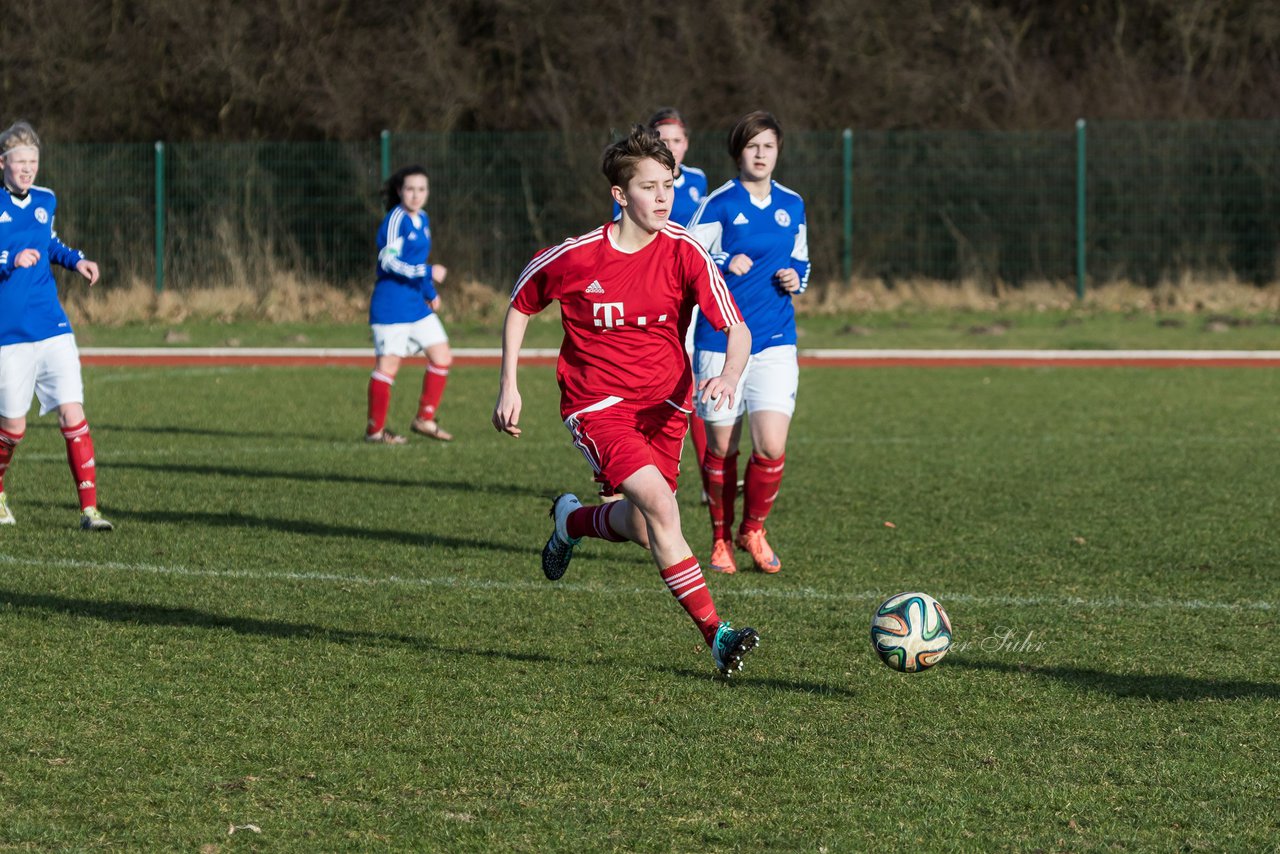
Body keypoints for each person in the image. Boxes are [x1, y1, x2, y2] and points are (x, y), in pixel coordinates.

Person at [492, 125, 760, 677]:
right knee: (664, 510)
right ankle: (717, 634)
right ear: (620, 194)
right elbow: (521, 304)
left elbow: (736, 329)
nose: (664, 198)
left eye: (670, 185)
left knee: (643, 528)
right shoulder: (577, 257)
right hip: (597, 406)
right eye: (650, 187)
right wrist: (508, 384)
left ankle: (571, 522)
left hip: (667, 407)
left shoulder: (686, 251)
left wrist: (731, 374)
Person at [687, 110, 809, 575]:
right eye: (752, 146)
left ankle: (752, 529)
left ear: (778, 152)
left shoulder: (793, 204)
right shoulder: (718, 203)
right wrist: (722, 262)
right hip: (720, 340)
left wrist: (796, 276)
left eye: (768, 146)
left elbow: (804, 260)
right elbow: (686, 262)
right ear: (739, 151)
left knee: (772, 445)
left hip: (777, 338)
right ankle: (720, 538)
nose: (760, 154)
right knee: (720, 447)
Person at [0, 120, 112, 530]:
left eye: (33, 161)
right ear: (2, 163)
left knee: (72, 413)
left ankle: (90, 510)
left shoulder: (47, 199)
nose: (27, 168)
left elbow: (51, 243)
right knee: (13, 427)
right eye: (19, 161)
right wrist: (9, 261)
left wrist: (75, 259)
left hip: (52, 327)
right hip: (8, 335)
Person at [606, 108, 713, 503]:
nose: (671, 146)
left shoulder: (700, 181)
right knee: (640, 377)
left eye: (678, 140)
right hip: (651, 294)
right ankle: (623, 473)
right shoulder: (635, 184)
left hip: (689, 291)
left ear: (687, 144)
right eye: (663, 139)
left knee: (689, 382)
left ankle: (703, 479)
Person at [364, 165, 454, 444]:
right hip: (391, 306)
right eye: (410, 189)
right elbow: (387, 261)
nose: (416, 195)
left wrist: (428, 290)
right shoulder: (395, 220)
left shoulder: (423, 219)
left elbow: (416, 261)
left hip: (416, 304)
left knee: (442, 356)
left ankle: (424, 419)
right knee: (388, 366)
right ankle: (375, 432)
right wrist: (428, 273)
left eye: (421, 189)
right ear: (400, 191)